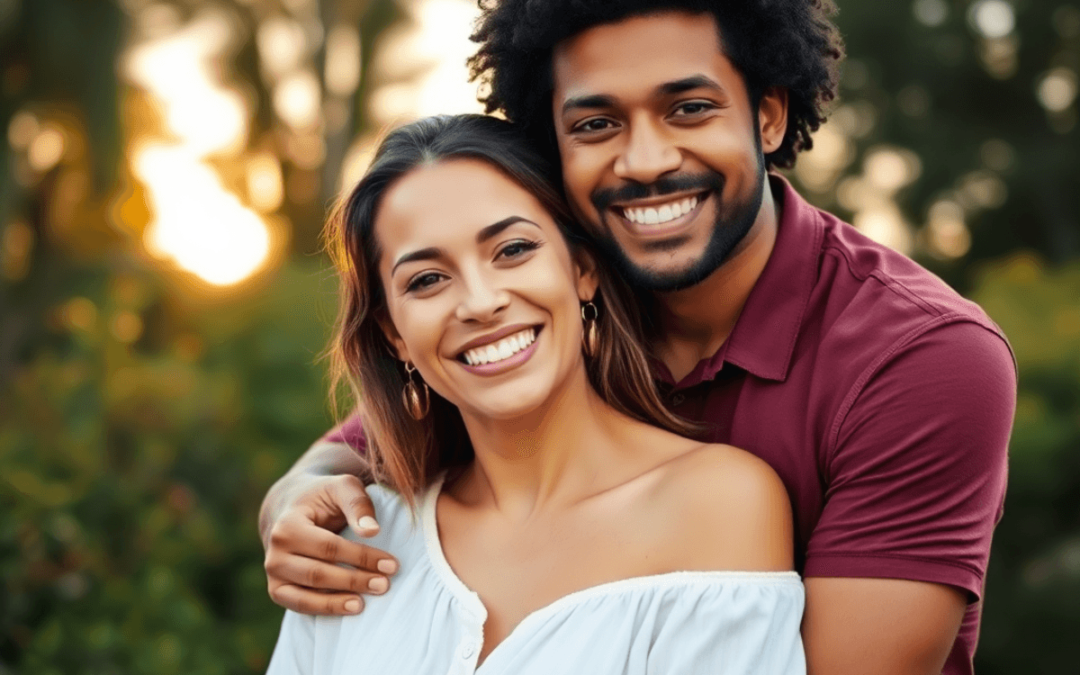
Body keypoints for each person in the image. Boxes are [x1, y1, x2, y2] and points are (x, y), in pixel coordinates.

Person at [260, 3, 1017, 674]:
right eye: (595, 124)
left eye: (688, 107)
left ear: (769, 116)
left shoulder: (921, 359)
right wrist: (296, 492)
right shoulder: (564, 289)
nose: (647, 162)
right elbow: (420, 400)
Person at [266, 113, 804, 674]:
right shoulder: (352, 544)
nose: (479, 301)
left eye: (513, 249)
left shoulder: (718, 506)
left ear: (582, 269)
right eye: (427, 280)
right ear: (395, 335)